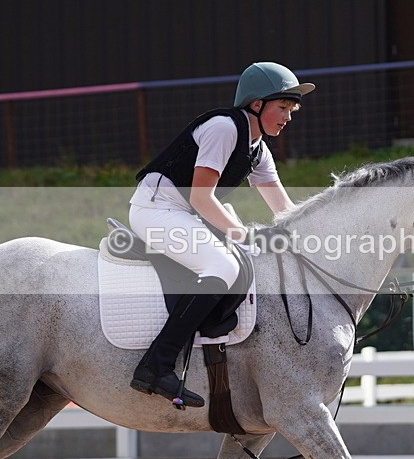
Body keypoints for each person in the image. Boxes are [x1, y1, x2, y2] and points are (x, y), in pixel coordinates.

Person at [127, 62, 315, 407]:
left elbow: (284, 210)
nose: (288, 117)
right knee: (224, 266)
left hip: (185, 212)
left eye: (292, 110)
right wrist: (243, 234)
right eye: (282, 107)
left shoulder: (258, 149)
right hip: (156, 210)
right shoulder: (223, 128)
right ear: (256, 104)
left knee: (248, 259)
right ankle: (156, 365)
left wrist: (311, 241)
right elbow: (202, 197)